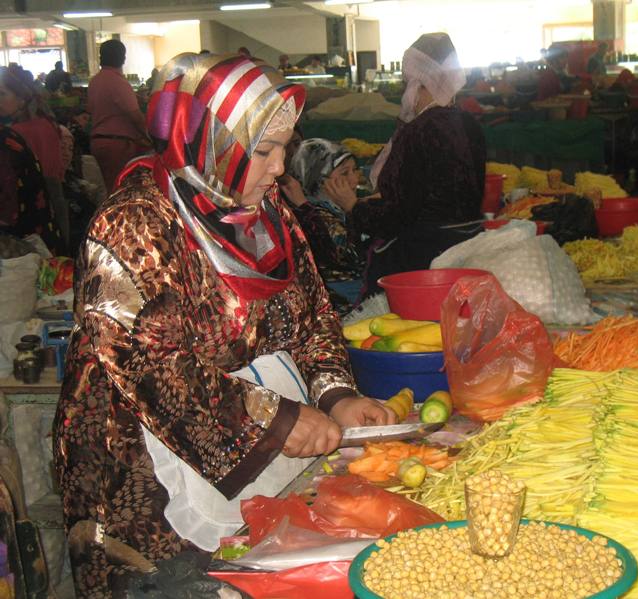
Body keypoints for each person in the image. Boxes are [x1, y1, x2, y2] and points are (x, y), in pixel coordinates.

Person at [53, 52, 394, 597]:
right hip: (143, 476)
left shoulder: (266, 217)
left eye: (284, 149)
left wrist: (334, 395)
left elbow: (312, 319)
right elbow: (148, 366)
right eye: (264, 151)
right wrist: (275, 421)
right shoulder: (135, 224)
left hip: (248, 446)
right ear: (208, 142)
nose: (280, 169)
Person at [355, 32, 486, 293]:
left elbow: (398, 217)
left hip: (424, 257)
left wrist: (353, 208)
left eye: (409, 83)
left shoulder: (418, 131)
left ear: (421, 83)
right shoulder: (469, 123)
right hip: (469, 243)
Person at [281, 138, 366, 309]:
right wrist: (353, 208)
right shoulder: (315, 217)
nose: (354, 180)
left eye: (354, 170)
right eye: (344, 173)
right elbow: (353, 256)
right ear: (319, 179)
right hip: (344, 305)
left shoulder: (335, 209)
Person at [0, 65, 70, 245]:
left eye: (2, 94)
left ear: (21, 98)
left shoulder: (15, 133)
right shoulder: (45, 122)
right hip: (52, 201)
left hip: (30, 207)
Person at [87, 39, 150, 195]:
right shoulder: (118, 82)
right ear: (122, 58)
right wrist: (151, 137)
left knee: (111, 189)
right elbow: (135, 117)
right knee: (122, 190)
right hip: (117, 144)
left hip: (99, 141)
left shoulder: (95, 81)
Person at [0, 126, 64, 253]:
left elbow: (8, 212)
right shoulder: (8, 136)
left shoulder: (5, 147)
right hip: (31, 240)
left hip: (23, 249)